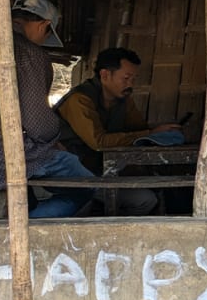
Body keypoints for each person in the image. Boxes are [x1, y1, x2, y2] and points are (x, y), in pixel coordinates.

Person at [0, 0, 95, 218]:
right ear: (43, 25)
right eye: (45, 35)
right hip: (2, 157)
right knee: (85, 184)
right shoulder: (30, 54)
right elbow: (38, 124)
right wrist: (55, 141)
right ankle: (27, 226)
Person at [55, 47, 182, 215]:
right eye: (126, 78)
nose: (131, 84)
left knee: (155, 191)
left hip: (104, 173)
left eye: (134, 79)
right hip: (73, 176)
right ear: (105, 75)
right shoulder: (79, 100)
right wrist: (150, 133)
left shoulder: (123, 100)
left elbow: (139, 129)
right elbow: (98, 142)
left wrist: (162, 134)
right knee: (144, 199)